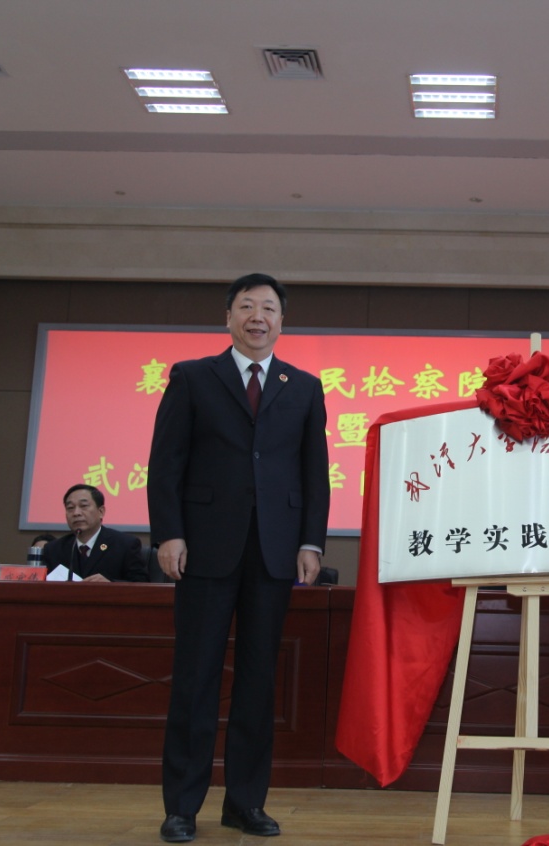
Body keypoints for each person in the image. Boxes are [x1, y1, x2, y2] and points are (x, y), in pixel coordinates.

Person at [149, 273, 329, 843]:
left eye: (269, 308)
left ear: (282, 321)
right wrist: (169, 533)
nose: (258, 316)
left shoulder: (304, 387)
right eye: (246, 306)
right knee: (195, 677)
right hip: (204, 547)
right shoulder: (192, 377)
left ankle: (246, 803)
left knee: (257, 680)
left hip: (274, 552)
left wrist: (311, 541)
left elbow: (314, 473)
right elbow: (166, 463)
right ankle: (182, 807)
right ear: (228, 317)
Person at [40, 484, 146, 582]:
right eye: (70, 508)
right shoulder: (54, 549)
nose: (76, 513)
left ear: (101, 512)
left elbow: (142, 584)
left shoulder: (124, 545)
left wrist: (111, 585)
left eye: (84, 506)